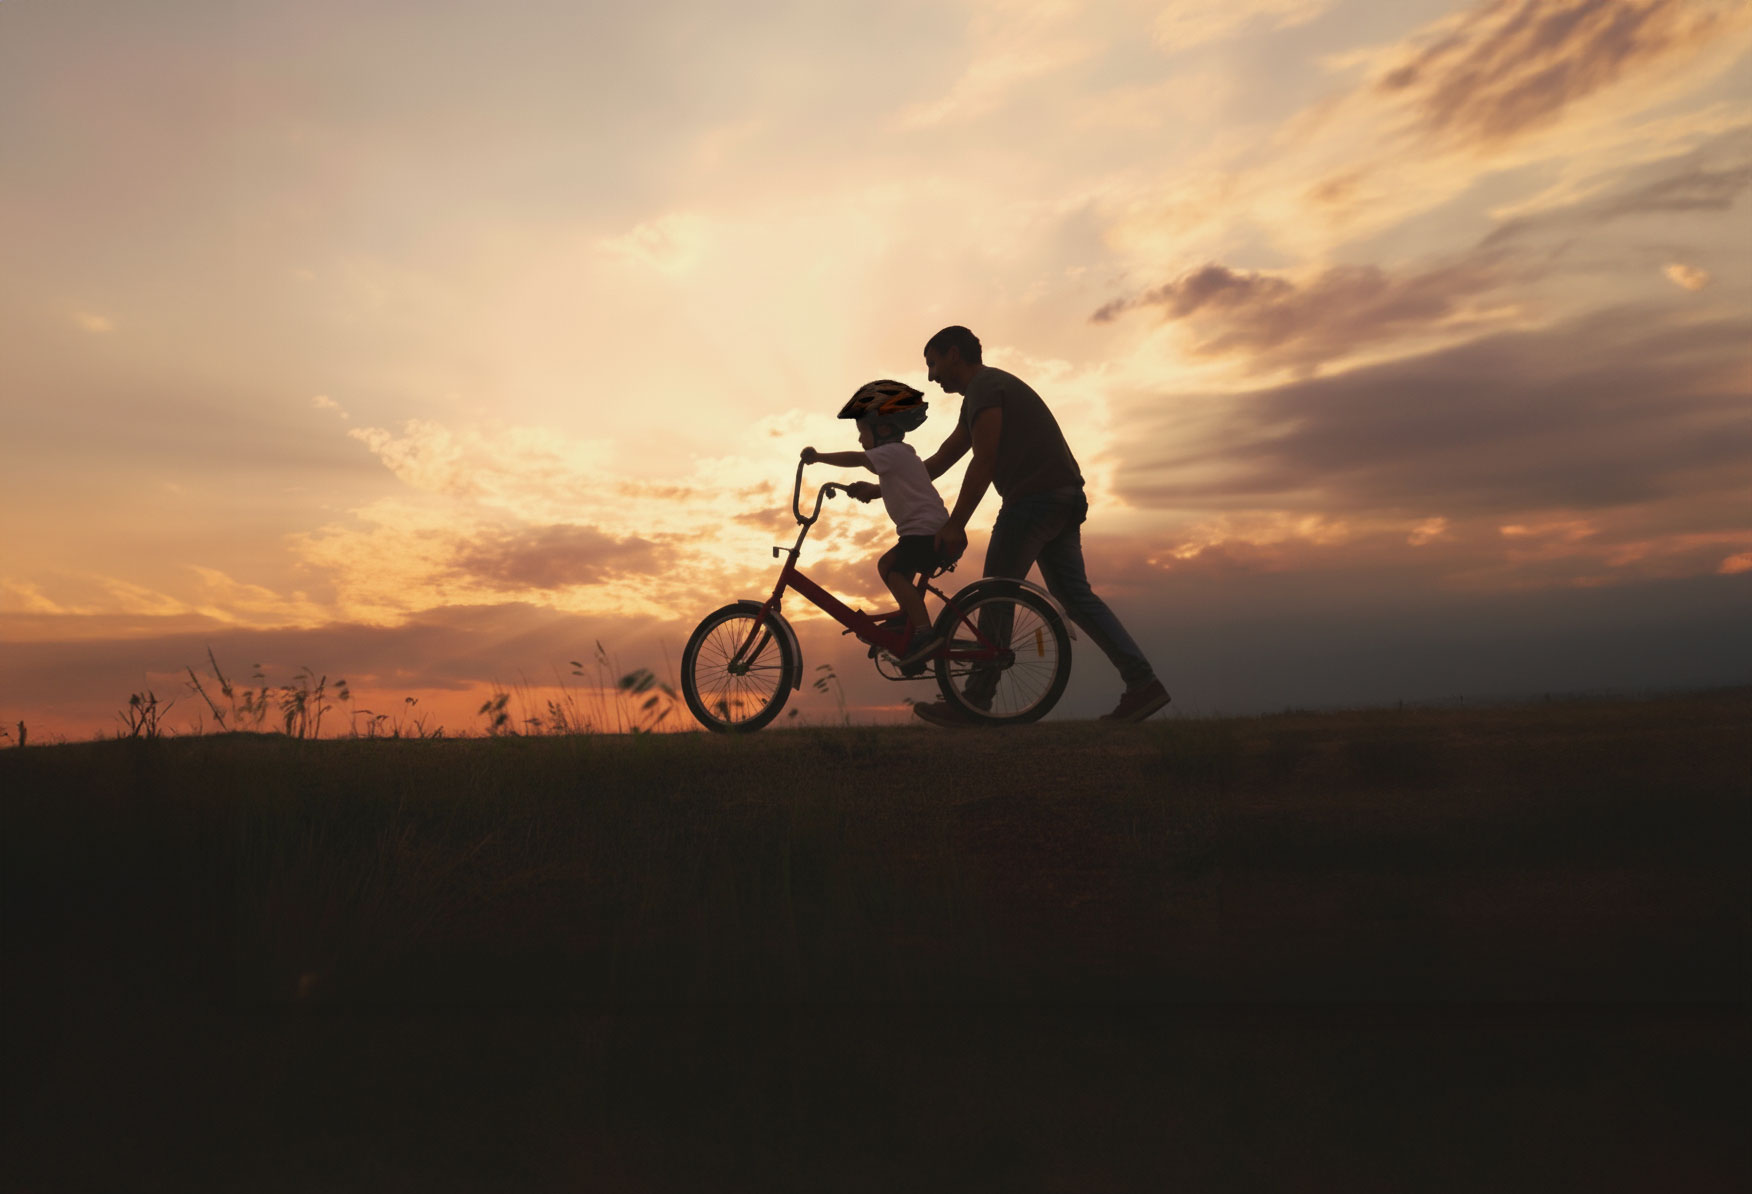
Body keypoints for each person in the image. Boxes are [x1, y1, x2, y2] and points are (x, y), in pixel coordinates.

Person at [846, 326, 1171, 725]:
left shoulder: (985, 386)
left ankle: (975, 702)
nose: (931, 376)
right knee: (1075, 596)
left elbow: (984, 459)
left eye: (932, 363)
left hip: (1033, 501)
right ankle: (1143, 683)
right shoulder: (982, 394)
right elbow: (942, 459)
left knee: (994, 595)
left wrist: (955, 524)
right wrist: (880, 487)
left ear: (953, 354)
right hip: (1063, 498)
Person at [801, 380, 950, 670]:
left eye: (862, 432)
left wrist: (819, 457)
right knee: (896, 571)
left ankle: (923, 632)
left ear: (882, 429)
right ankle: (908, 624)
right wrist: (873, 490)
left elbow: (858, 459)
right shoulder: (902, 455)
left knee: (889, 568)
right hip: (927, 531)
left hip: (924, 533)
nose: (860, 440)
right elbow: (902, 483)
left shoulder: (890, 452)